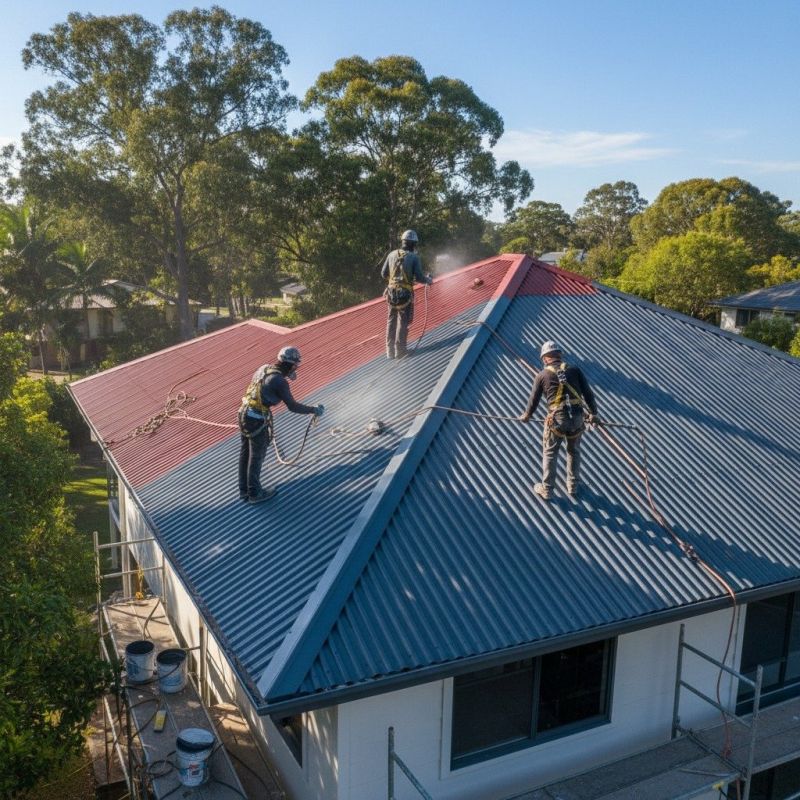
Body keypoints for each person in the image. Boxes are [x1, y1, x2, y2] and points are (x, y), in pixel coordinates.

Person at [237, 346, 324, 504]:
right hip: (256, 419)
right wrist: (313, 410)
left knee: (246, 454)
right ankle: (254, 493)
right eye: (295, 365)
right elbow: (292, 406)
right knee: (256, 457)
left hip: (243, 413)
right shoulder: (279, 381)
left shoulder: (264, 368)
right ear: (291, 365)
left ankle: (244, 491)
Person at [519, 341, 599, 500]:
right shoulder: (575, 370)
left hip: (557, 420)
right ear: (560, 355)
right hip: (577, 419)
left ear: (544, 359)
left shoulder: (542, 375)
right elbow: (588, 394)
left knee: (550, 453)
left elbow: (533, 401)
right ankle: (573, 486)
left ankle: (547, 489)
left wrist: (526, 415)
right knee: (574, 451)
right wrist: (594, 413)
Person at [381, 229, 432, 359]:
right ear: (413, 244)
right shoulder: (414, 257)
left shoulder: (391, 254)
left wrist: (392, 283)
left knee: (391, 320)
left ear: (403, 242)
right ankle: (400, 350)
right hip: (404, 295)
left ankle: (389, 351)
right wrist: (428, 280)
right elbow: (420, 277)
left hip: (391, 293)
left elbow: (383, 273)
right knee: (402, 321)